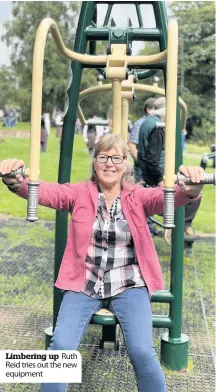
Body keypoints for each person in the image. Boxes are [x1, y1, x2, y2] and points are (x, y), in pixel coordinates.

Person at [0, 134, 204, 392]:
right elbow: (46, 192)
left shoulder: (138, 196)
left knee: (142, 351)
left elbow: (167, 198)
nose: (110, 164)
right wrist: (15, 182)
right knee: (60, 347)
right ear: (95, 163)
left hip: (129, 283)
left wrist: (192, 190)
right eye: (103, 157)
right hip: (84, 283)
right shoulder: (78, 193)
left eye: (117, 158)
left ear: (126, 165)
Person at [137, 97, 202, 240]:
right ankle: (183, 230)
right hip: (156, 176)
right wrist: (160, 179)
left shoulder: (146, 122)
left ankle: (182, 229)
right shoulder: (158, 126)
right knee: (192, 197)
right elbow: (153, 158)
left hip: (147, 173)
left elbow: (144, 153)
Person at [128, 97, 155, 182]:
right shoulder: (139, 124)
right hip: (142, 170)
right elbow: (132, 145)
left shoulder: (156, 124)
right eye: (156, 109)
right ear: (148, 110)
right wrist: (142, 164)